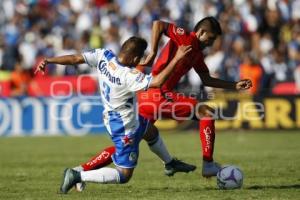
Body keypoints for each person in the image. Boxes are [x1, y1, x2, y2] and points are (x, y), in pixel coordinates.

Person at [76, 16, 253, 182]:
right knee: (206, 112)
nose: (211, 42)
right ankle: (208, 164)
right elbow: (158, 24)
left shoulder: (197, 53)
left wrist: (234, 85)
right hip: (158, 94)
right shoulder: (186, 38)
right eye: (211, 38)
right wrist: (153, 51)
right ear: (200, 32)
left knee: (127, 145)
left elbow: (206, 79)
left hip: (145, 98)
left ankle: (79, 171)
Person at [35, 36, 193, 194]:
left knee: (151, 131)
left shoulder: (104, 55)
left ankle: (170, 163)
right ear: (136, 58)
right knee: (124, 175)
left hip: (122, 117)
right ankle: (77, 175)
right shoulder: (128, 75)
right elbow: (158, 82)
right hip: (124, 126)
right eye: (139, 59)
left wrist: (49, 60)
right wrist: (177, 58)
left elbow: (76, 58)